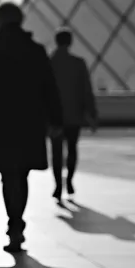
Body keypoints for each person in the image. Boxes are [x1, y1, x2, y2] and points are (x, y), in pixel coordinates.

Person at [0, 3, 63, 253]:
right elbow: (49, 88)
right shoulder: (36, 50)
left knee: (7, 174)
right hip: (29, 119)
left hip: (1, 119)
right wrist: (55, 120)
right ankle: (18, 224)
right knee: (22, 173)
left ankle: (14, 224)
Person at [48, 29, 97, 202]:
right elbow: (86, 90)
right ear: (70, 42)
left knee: (56, 151)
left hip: (54, 116)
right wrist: (91, 114)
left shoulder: (49, 63)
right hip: (73, 114)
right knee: (72, 149)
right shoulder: (78, 63)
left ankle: (57, 185)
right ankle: (69, 180)